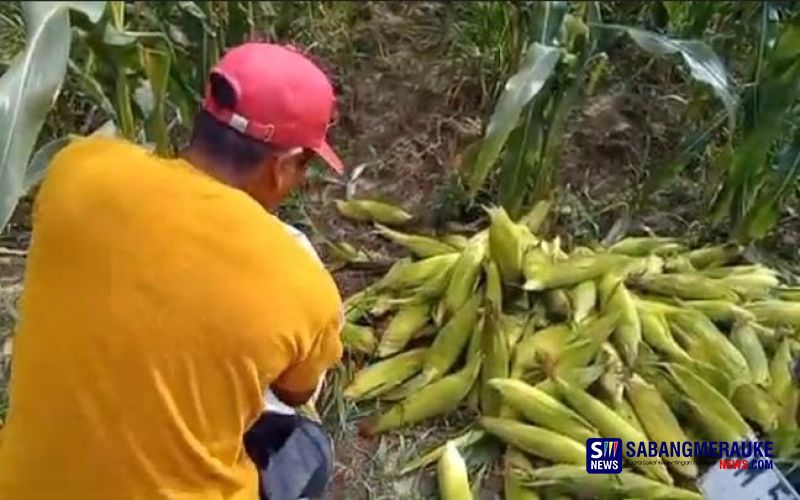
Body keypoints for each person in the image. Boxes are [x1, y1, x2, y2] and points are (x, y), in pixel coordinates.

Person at [0, 42, 345, 499]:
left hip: (23, 488)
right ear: (282, 167)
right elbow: (297, 393)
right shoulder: (299, 279)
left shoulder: (76, 170)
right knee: (309, 449)